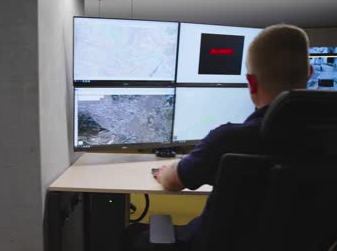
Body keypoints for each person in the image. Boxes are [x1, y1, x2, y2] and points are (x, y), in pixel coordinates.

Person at [125, 24, 312, 251]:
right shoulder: (335, 141)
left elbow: (172, 183)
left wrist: (166, 171)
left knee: (134, 233)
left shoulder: (229, 139)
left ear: (251, 82)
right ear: (309, 73)